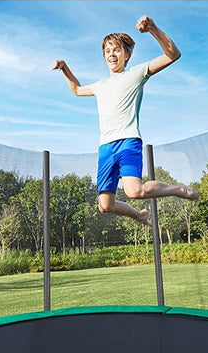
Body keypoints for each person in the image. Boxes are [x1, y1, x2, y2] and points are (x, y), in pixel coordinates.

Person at [51, 15, 198, 226]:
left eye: (117, 49)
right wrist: (64, 67)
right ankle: (138, 215)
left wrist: (153, 29)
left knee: (135, 190)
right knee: (105, 206)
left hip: (128, 141)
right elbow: (76, 89)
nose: (112, 54)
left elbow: (173, 54)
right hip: (105, 148)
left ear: (127, 55)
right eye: (108, 51)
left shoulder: (136, 74)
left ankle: (178, 188)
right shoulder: (100, 86)